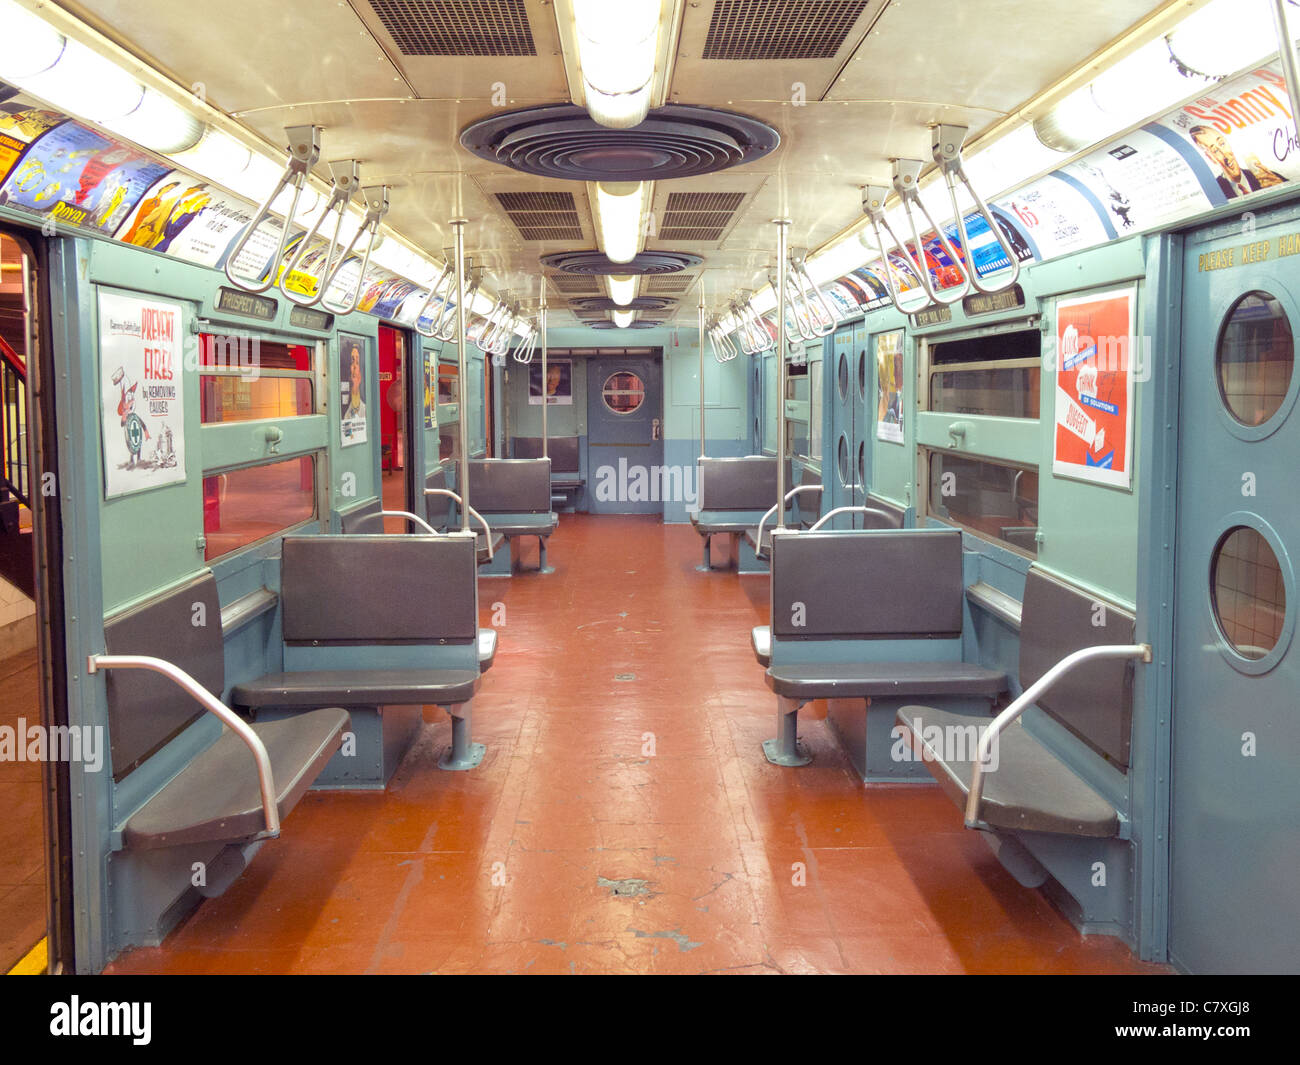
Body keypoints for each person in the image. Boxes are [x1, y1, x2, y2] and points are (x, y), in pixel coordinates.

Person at [1189, 125, 1284, 199]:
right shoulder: (1214, 193)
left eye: (1222, 144)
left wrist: (1281, 188)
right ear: (1210, 158)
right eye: (1216, 151)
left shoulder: (1269, 177)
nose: (1225, 155)